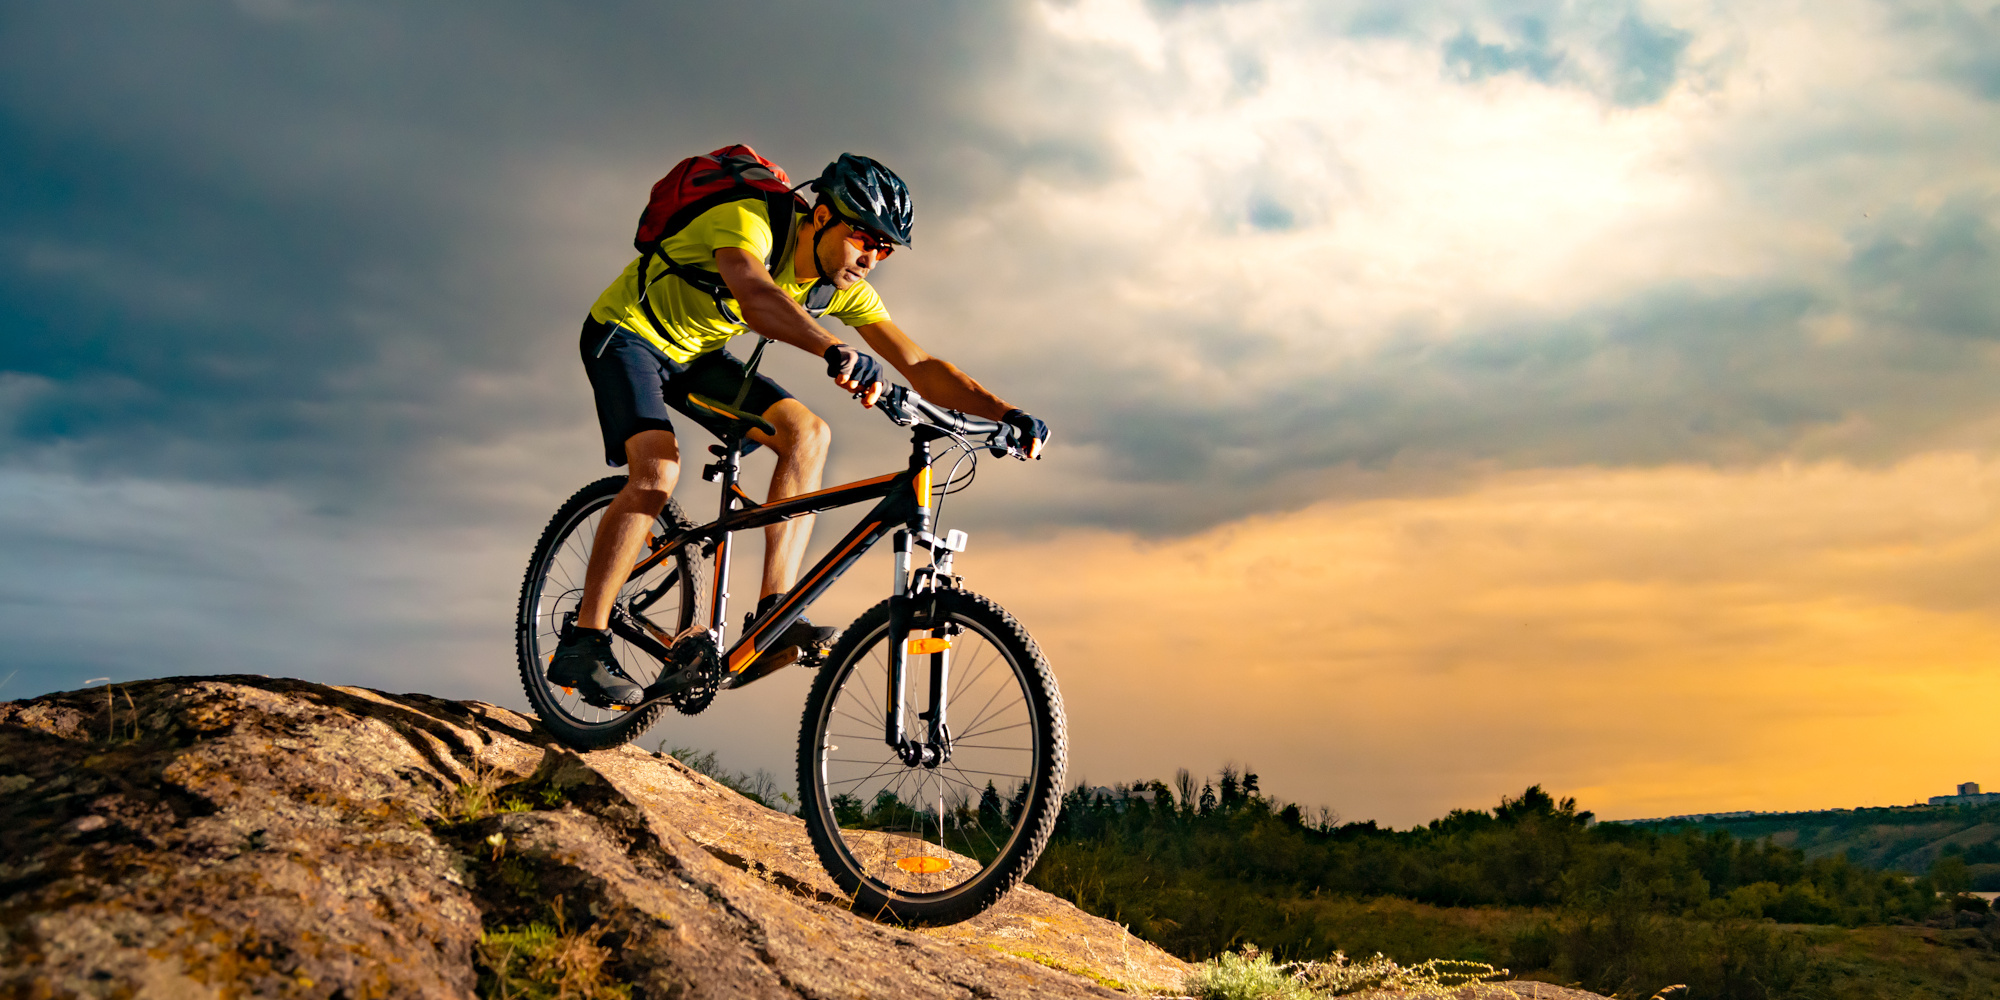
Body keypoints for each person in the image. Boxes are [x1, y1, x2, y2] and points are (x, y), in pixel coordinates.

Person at [548, 153, 1050, 706]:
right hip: (627, 334)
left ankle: (774, 615)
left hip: (697, 355)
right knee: (658, 469)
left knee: (809, 433)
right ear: (822, 216)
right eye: (865, 237)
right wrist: (832, 348)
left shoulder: (842, 287)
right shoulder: (749, 220)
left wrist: (1006, 414)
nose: (872, 257)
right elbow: (757, 296)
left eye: (885, 248)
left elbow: (921, 366)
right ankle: (583, 639)